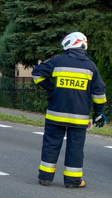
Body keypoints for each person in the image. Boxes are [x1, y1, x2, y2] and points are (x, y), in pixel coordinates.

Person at [32, 32, 107, 188]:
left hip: (56, 114)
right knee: (75, 148)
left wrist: (50, 89)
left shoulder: (57, 61)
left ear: (69, 44)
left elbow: (37, 73)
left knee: (51, 144)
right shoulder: (90, 66)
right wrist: (99, 113)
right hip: (79, 117)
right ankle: (73, 181)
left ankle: (45, 177)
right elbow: (99, 93)